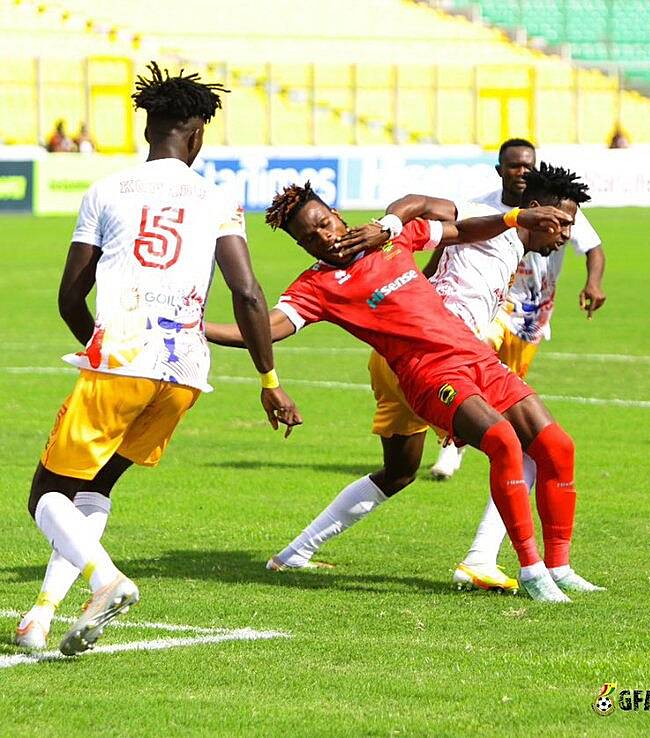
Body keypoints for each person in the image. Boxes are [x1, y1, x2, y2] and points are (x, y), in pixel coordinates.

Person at [15, 62, 300, 655]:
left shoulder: (107, 190)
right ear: (197, 134)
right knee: (93, 489)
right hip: (185, 372)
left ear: (149, 129)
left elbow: (71, 294)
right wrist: (269, 379)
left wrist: (98, 341)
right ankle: (39, 616)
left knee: (44, 494)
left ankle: (106, 580)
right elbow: (247, 294)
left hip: (121, 359)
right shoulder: (218, 198)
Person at [206, 179, 599, 603]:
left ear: (336, 215)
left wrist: (514, 218)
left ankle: (560, 566)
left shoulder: (388, 239)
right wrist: (199, 326)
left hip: (475, 355)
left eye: (323, 224)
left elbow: (461, 231)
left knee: (557, 446)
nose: (323, 237)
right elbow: (265, 328)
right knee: (503, 441)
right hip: (428, 374)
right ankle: (531, 571)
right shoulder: (316, 287)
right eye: (308, 238)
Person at [428, 138, 605, 481]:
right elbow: (451, 243)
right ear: (500, 170)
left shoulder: (560, 209)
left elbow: (594, 249)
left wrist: (593, 283)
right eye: (514, 165)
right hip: (491, 306)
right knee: (468, 367)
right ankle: (452, 445)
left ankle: (499, 447)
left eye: (528, 165)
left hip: (532, 313)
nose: (522, 171)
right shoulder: (482, 207)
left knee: (505, 386)